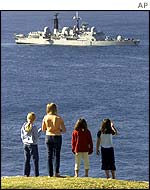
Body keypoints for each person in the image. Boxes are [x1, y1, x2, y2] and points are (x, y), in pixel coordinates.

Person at [42, 103, 66, 177]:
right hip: (57, 136)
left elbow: (43, 129)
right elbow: (64, 130)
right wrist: (60, 130)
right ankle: (57, 172)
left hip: (48, 136)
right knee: (57, 155)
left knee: (49, 155)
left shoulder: (45, 117)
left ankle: (50, 174)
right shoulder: (58, 118)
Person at [21, 112, 41, 177]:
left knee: (27, 160)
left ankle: (26, 174)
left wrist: (24, 141)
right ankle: (36, 174)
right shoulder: (34, 127)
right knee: (35, 160)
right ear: (34, 119)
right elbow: (36, 137)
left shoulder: (24, 125)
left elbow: (22, 135)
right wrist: (40, 131)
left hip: (25, 144)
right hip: (33, 145)